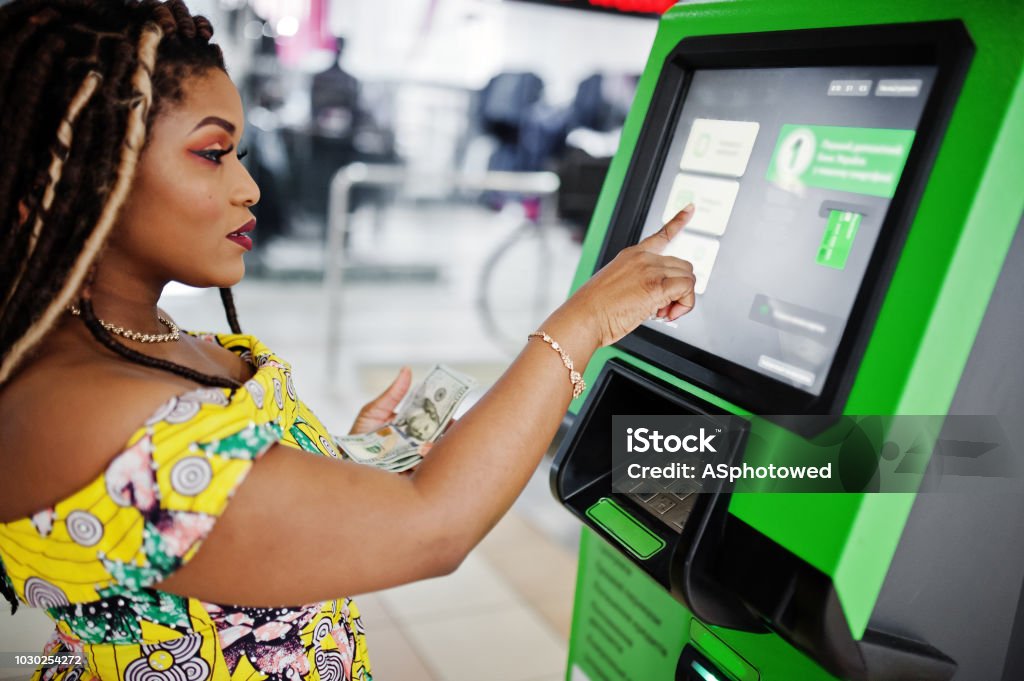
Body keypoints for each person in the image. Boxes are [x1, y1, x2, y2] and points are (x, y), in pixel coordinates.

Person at [0, 1, 697, 679]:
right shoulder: (75, 408)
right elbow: (434, 528)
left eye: (238, 152)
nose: (249, 186)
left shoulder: (130, 338)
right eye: (212, 154)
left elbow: (228, 502)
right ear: (79, 176)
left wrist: (347, 459)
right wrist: (583, 322)